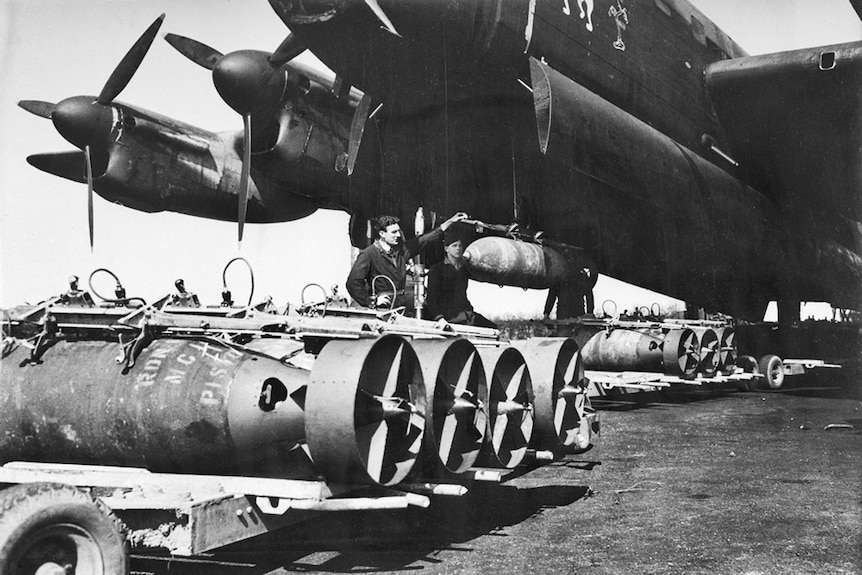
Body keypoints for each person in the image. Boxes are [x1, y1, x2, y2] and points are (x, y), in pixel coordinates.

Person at [346, 211, 469, 314]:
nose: (398, 235)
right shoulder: (368, 254)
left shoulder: (401, 251)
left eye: (398, 231)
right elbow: (353, 283)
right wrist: (371, 301)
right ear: (382, 234)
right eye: (393, 232)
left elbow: (424, 240)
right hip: (381, 310)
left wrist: (450, 221)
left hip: (400, 307)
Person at [426, 227, 497, 328]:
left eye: (460, 246)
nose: (458, 248)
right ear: (446, 249)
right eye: (454, 246)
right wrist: (439, 318)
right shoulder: (437, 269)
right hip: (448, 316)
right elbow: (431, 299)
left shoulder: (464, 269)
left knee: (493, 328)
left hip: (466, 313)